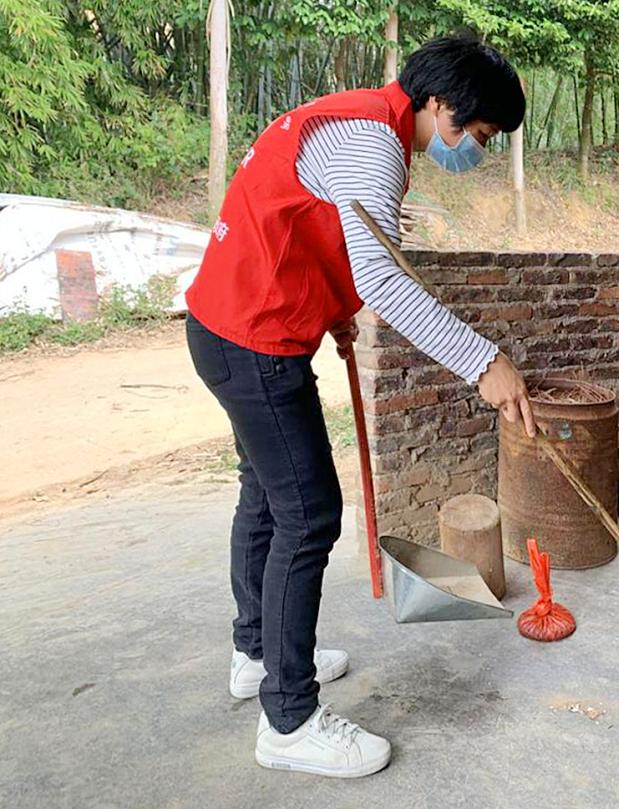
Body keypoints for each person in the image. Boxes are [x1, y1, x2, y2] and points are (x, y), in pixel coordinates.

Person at [184, 36, 536, 778]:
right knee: (309, 514)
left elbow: (319, 229)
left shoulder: (359, 123)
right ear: (440, 105)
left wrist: (332, 305)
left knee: (267, 498)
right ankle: (289, 718)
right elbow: (381, 274)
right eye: (476, 135)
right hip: (254, 341)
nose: (476, 150)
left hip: (226, 328)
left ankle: (257, 653)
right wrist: (485, 362)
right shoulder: (373, 142)